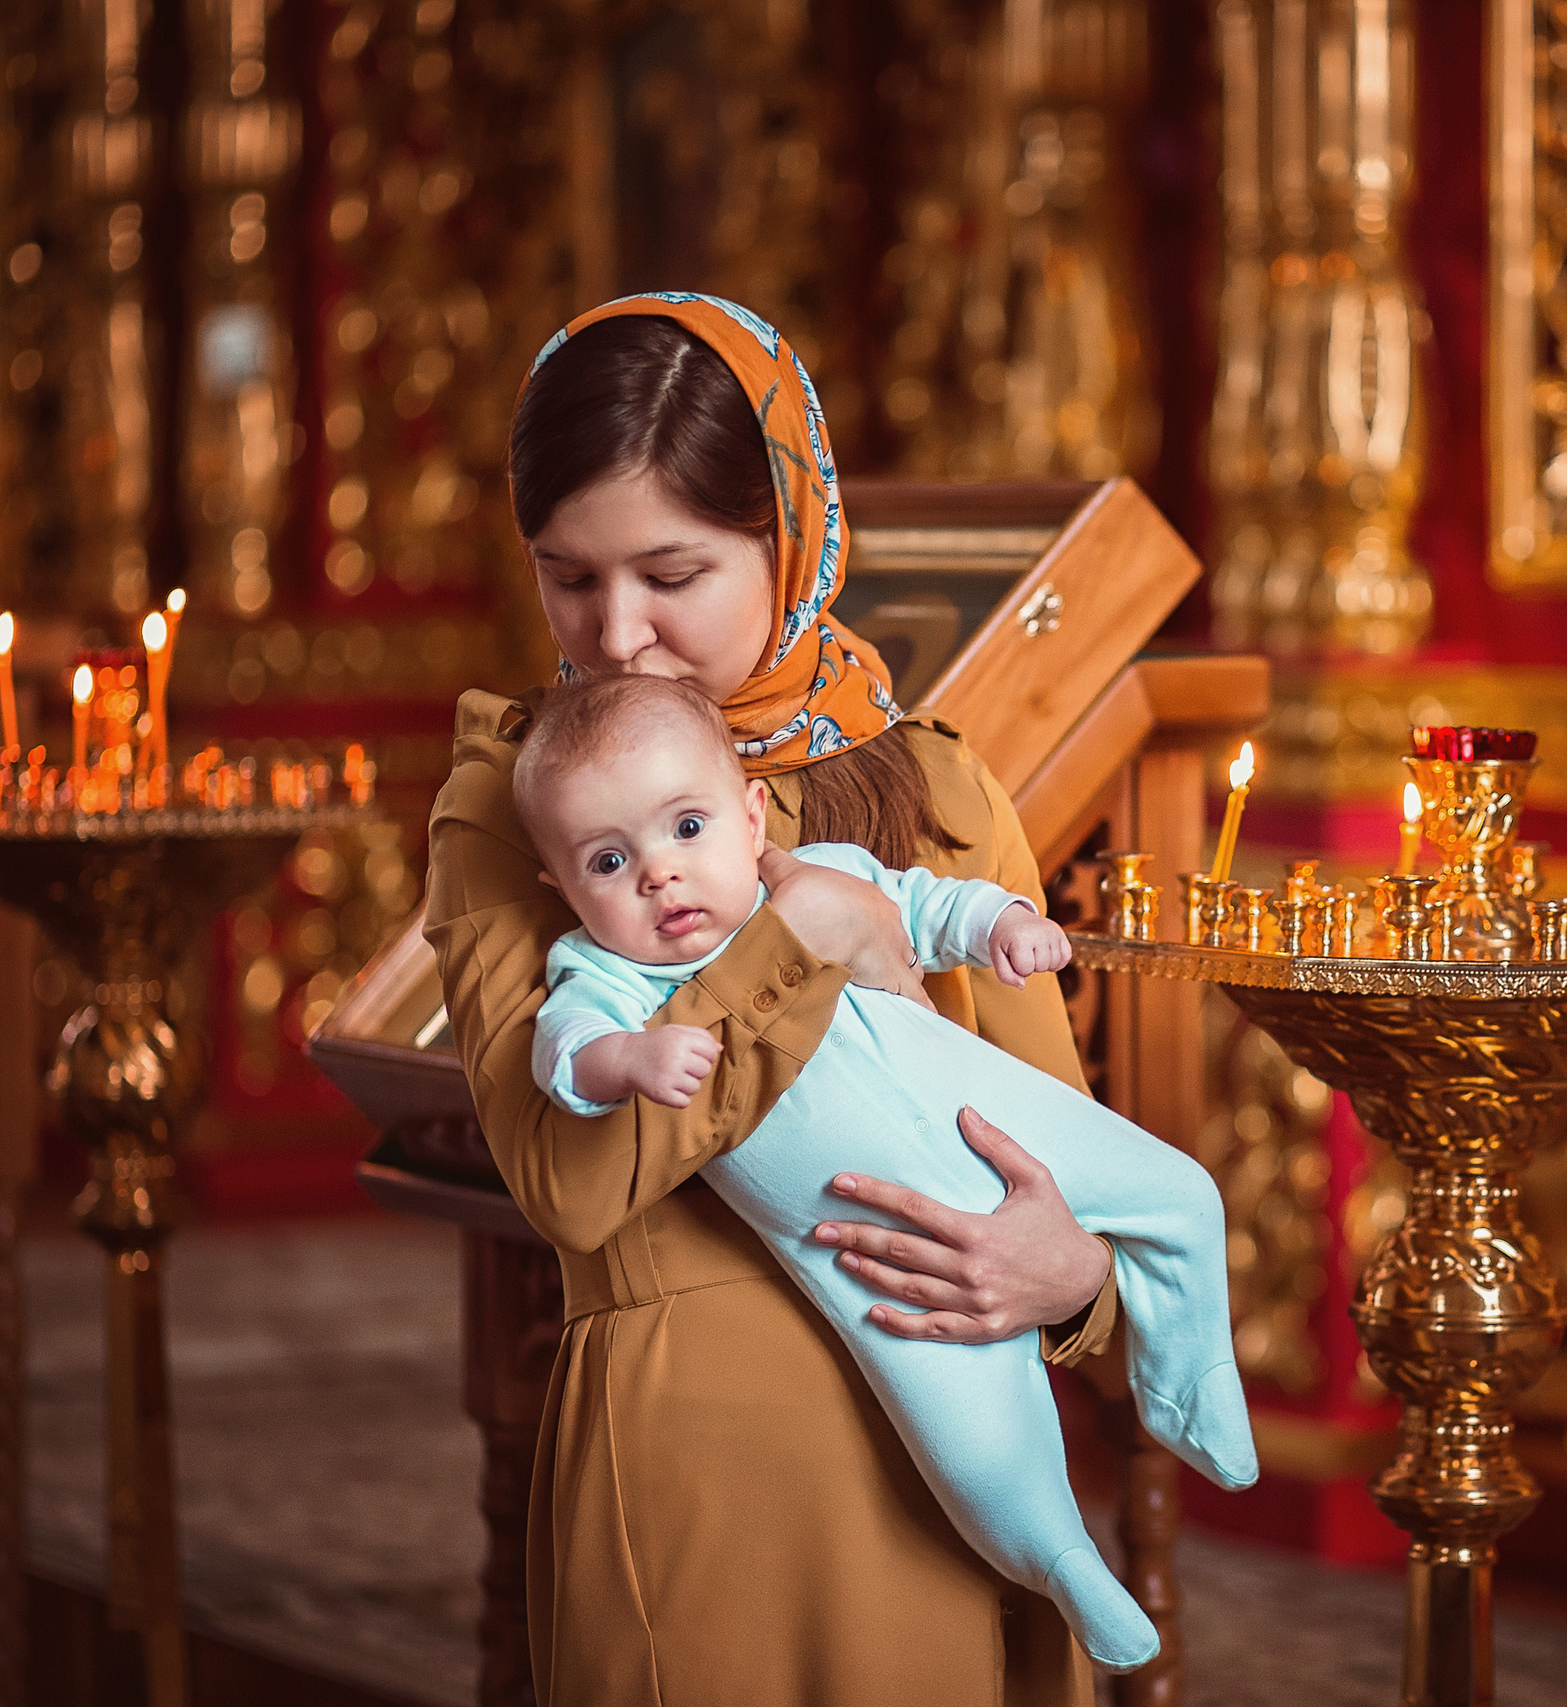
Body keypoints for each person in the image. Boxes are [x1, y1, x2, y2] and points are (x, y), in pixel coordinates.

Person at [424, 292, 1154, 1706]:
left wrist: (1068, 1277)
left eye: (669, 571)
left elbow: (1066, 1176)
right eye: (567, 576)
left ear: (791, 536)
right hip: (703, 1489)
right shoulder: (520, 803)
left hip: (964, 1465)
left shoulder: (935, 783)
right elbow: (567, 1177)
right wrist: (805, 934)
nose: (616, 633)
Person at [513, 672, 1256, 1671]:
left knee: (1178, 1192)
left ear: (746, 812)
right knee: (966, 1428)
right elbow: (559, 1051)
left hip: (980, 1117)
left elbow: (930, 904)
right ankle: (1064, 1558)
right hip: (865, 1236)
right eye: (610, 860)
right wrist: (629, 1059)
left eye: (686, 829)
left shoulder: (817, 871)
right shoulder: (610, 974)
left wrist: (1001, 926)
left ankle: (1189, 1383)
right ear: (565, 888)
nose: (659, 876)